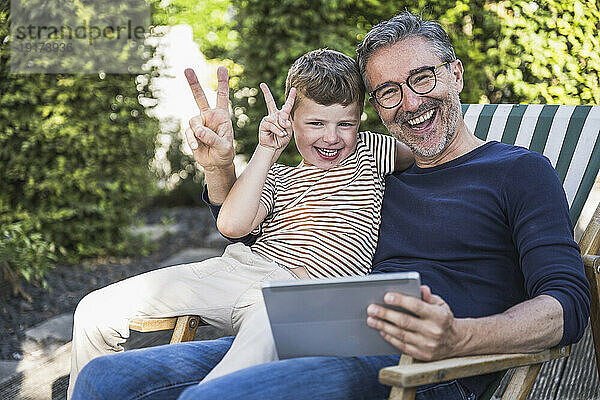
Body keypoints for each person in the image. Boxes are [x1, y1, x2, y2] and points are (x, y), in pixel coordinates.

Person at [70, 11, 590, 400]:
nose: (409, 103)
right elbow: (258, 229)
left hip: (424, 365)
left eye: (423, 79)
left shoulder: (517, 170)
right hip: (323, 320)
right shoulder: (378, 170)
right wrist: (221, 164)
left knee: (220, 392)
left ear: (455, 74)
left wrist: (461, 336)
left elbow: (567, 305)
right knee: (104, 378)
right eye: (388, 93)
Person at [68, 49, 413, 398]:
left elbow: (427, 151)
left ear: (360, 121)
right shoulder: (276, 177)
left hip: (302, 295)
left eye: (345, 124)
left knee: (228, 378)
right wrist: (266, 150)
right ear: (290, 120)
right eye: (316, 123)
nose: (332, 137)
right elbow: (232, 226)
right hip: (236, 271)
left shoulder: (369, 150)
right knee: (94, 312)